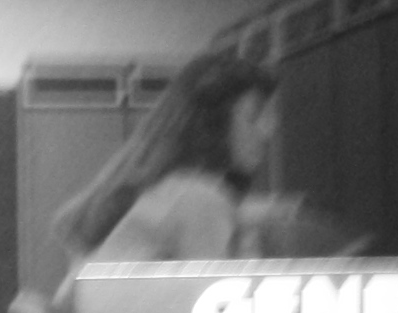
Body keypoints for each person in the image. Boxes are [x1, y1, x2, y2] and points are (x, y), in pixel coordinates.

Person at [57, 49, 290, 264]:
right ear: (211, 123)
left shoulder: (166, 190)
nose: (269, 130)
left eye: (270, 117)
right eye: (254, 116)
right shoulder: (199, 198)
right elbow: (213, 292)